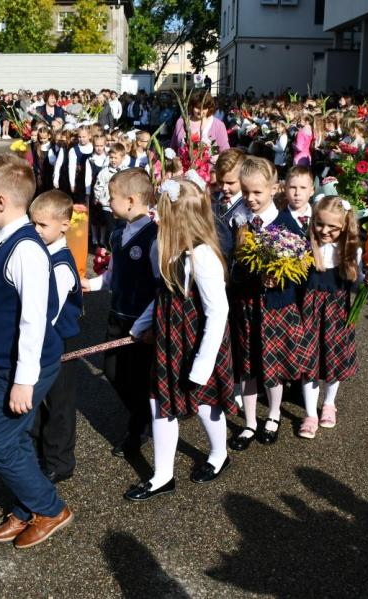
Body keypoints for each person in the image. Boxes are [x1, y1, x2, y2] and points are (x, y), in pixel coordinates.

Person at [0, 154, 73, 549]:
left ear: (0, 201)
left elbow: (34, 320)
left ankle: (50, 508)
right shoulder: (8, 244)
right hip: (4, 363)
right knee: (13, 441)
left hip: (26, 366)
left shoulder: (27, 251)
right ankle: (26, 507)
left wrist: (23, 381)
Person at [124, 178, 237, 502]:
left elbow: (218, 313)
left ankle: (219, 453)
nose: (157, 220)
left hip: (197, 342)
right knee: (159, 401)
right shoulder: (169, 248)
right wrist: (141, 326)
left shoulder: (203, 256)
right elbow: (163, 295)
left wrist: (201, 367)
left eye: (163, 214)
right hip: (170, 339)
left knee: (204, 403)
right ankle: (162, 475)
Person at [228, 157, 313, 451]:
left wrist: (281, 278)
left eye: (257, 193)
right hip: (246, 306)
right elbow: (232, 265)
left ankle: (274, 414)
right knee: (248, 366)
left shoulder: (287, 224)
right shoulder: (239, 220)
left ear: (273, 189)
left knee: (272, 365)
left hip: (276, 308)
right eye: (246, 192)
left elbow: (303, 269)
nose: (250, 199)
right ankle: (250, 422)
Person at [82, 169, 159, 456]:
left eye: (111, 197)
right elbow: (113, 276)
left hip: (140, 323)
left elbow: (159, 286)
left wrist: (147, 325)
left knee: (137, 378)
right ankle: (142, 417)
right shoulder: (117, 235)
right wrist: (90, 284)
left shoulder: (153, 237)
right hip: (118, 315)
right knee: (113, 371)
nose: (106, 201)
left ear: (130, 201)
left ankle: (139, 428)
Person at [298, 196, 368, 439]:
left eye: (333, 227)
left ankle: (329, 403)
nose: (325, 231)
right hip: (309, 311)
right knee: (309, 360)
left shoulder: (351, 250)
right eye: (320, 224)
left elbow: (360, 281)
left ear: (344, 226)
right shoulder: (304, 246)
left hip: (337, 313)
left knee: (333, 358)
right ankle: (310, 413)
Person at [28, 191, 83, 484]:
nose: (36, 230)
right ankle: (41, 451)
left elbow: (49, 310)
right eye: (33, 223)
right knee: (40, 399)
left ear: (64, 225)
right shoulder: (42, 252)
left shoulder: (60, 264)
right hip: (44, 340)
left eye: (42, 225)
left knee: (59, 402)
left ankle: (60, 461)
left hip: (60, 340)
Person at [170, 91, 230, 156]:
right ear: (192, 107)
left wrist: (209, 155)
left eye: (204, 108)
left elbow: (225, 152)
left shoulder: (218, 125)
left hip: (210, 165)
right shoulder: (181, 122)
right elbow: (173, 148)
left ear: (209, 108)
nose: (200, 111)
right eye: (197, 107)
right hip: (182, 165)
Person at [93, 142, 128, 249]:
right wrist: (98, 197)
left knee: (121, 227)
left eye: (116, 158)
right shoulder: (104, 172)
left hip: (122, 206)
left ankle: (119, 247)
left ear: (122, 158)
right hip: (107, 206)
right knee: (111, 228)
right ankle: (110, 249)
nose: (113, 160)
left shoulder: (126, 172)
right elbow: (98, 186)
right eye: (111, 157)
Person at [212, 148, 246, 259]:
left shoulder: (246, 205)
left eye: (230, 183)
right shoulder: (211, 200)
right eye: (220, 182)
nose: (224, 188)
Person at [281, 165, 315, 236]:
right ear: (285, 189)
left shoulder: (319, 216)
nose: (297, 193)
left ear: (312, 190)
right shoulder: (278, 220)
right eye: (293, 187)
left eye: (303, 188)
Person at [68, 125, 94, 205]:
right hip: (80, 180)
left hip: (93, 180)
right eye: (79, 137)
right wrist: (72, 184)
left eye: (84, 137)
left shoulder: (94, 147)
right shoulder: (74, 150)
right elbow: (71, 168)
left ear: (89, 136)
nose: (81, 139)